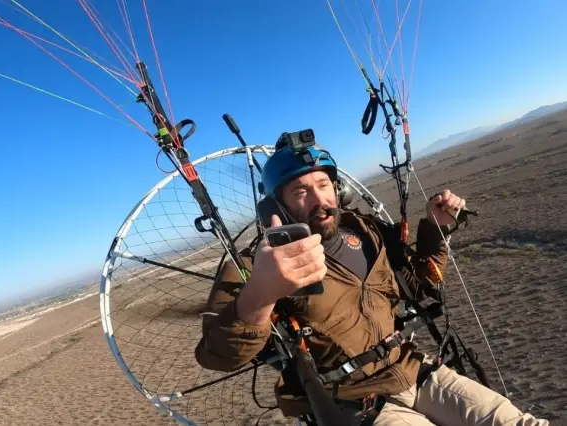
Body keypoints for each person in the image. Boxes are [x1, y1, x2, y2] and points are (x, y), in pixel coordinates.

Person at [194, 139, 548, 425]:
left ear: (339, 190)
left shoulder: (368, 232)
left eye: (323, 185)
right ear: (277, 206)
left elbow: (419, 282)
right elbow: (218, 356)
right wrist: (260, 294)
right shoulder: (255, 265)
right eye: (301, 192)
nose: (319, 199)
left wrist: (435, 229)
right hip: (354, 403)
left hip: (412, 371)